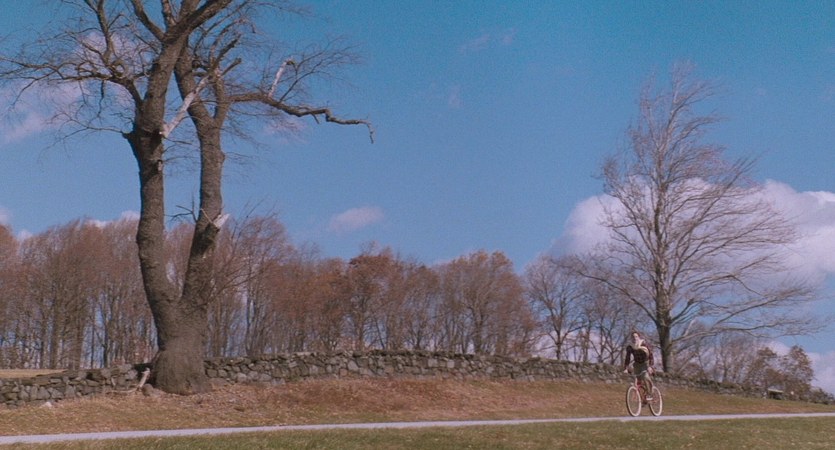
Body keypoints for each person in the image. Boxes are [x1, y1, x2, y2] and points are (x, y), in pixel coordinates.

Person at [623, 330, 655, 400]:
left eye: (636, 337)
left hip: (646, 362)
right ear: (631, 338)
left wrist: (650, 366)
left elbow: (650, 355)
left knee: (645, 377)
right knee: (638, 381)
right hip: (637, 364)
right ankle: (642, 399)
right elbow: (627, 358)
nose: (635, 338)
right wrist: (626, 368)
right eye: (633, 337)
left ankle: (650, 394)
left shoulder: (644, 344)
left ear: (639, 337)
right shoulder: (630, 347)